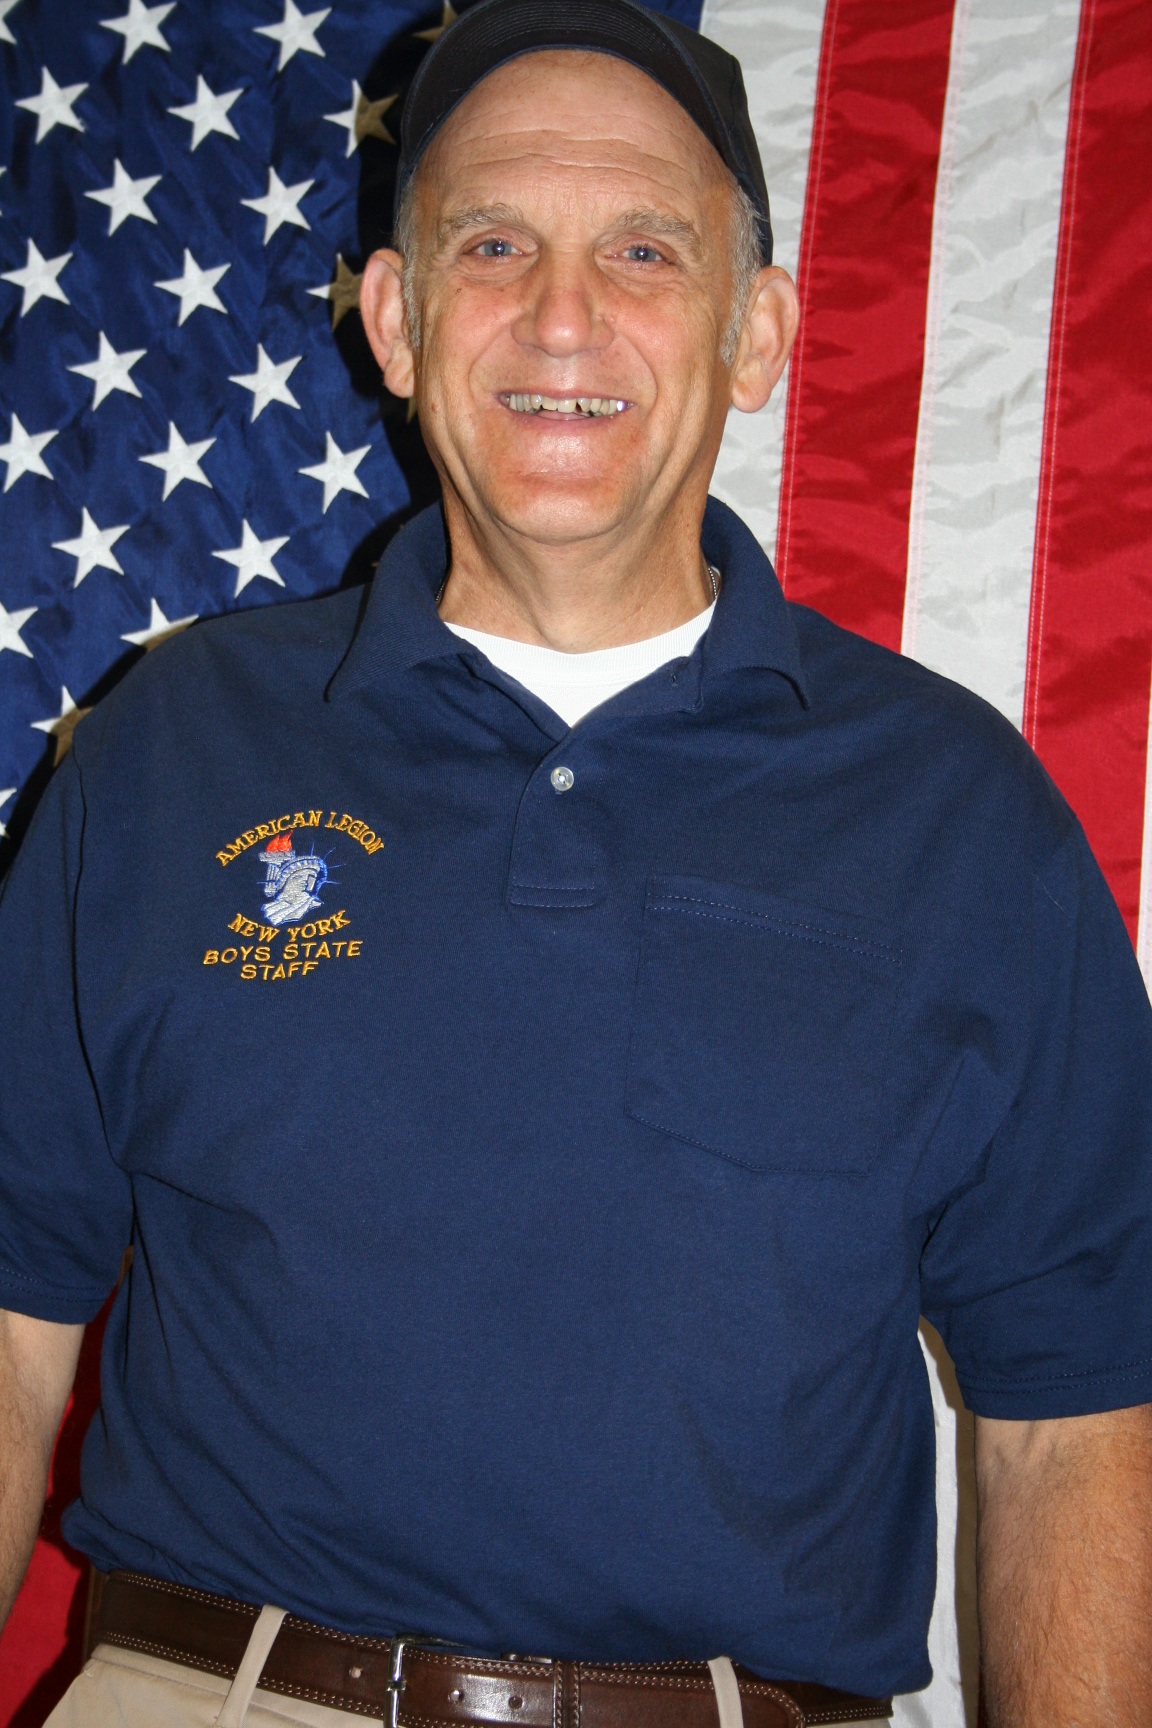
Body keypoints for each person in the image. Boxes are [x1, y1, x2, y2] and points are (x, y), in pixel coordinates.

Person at [1, 1, 1150, 1723]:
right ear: (396, 321)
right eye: (491, 244)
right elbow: (9, 1325)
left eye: (642, 250)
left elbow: (1075, 1422)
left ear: (755, 333)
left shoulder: (959, 814)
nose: (561, 314)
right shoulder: (172, 749)